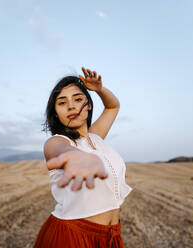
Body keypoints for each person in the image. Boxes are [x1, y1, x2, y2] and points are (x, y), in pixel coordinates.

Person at [33, 67, 132, 248]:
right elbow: (60, 150)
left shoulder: (95, 138)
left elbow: (113, 106)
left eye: (78, 99)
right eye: (62, 103)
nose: (71, 106)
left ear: (89, 105)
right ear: (55, 112)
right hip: (73, 237)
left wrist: (99, 90)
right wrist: (76, 157)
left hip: (111, 236)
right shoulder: (57, 142)